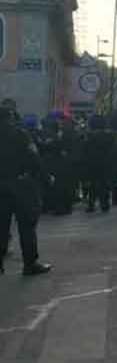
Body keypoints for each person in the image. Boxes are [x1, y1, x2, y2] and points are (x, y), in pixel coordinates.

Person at [0, 99, 51, 276]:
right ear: (11, 118)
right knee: (26, 225)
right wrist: (46, 177)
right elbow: (34, 158)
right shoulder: (20, 134)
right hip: (20, 184)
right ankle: (30, 263)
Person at [82, 114, 117, 213]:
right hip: (106, 163)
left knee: (92, 185)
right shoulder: (110, 135)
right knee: (104, 184)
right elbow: (114, 149)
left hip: (92, 163)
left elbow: (85, 150)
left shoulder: (89, 136)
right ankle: (104, 204)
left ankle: (91, 204)